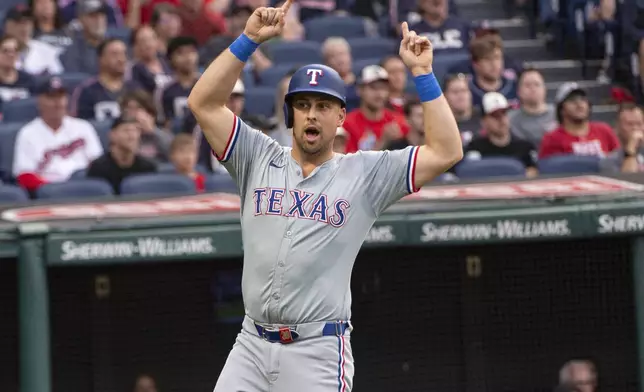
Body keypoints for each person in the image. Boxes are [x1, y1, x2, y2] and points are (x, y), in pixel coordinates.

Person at [187, 0, 463, 389]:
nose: (312, 114)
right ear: (291, 115)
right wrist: (248, 40)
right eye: (302, 105)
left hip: (315, 350)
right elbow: (202, 102)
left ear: (340, 117)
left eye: (322, 105)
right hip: (250, 345)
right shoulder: (257, 156)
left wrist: (423, 74)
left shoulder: (365, 173)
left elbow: (447, 151)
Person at [13, 76, 104, 192]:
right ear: (39, 101)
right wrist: (56, 189)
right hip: (49, 194)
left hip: (83, 189)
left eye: (61, 96)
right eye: (51, 97)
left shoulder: (83, 127)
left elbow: (98, 165)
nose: (57, 102)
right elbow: (25, 176)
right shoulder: (27, 133)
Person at [463, 92, 538, 177]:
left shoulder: (525, 148)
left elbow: (535, 174)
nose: (501, 119)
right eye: (495, 116)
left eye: (504, 113)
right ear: (484, 122)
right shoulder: (475, 147)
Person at [539, 82, 620, 159]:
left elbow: (620, 163)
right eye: (572, 100)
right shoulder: (552, 139)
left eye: (583, 99)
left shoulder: (604, 130)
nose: (579, 103)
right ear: (561, 109)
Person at [342, 65, 410, 152]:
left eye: (383, 88)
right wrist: (383, 142)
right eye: (373, 88)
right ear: (359, 90)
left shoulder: (399, 121)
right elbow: (350, 164)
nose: (379, 94)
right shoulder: (347, 124)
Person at [86, 115, 157, 193]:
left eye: (136, 130)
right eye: (126, 130)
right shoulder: (98, 168)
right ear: (112, 135)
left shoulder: (147, 167)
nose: (132, 136)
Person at [70, 38, 136, 120]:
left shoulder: (135, 89)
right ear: (101, 59)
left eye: (124, 54)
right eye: (115, 54)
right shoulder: (86, 90)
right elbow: (80, 124)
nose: (121, 59)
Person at [508, 68, 557, 148]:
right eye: (527, 85)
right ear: (518, 91)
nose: (533, 89)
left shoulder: (559, 114)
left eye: (537, 84)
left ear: (545, 89)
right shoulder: (509, 119)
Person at [602, 103, 644, 173]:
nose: (635, 128)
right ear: (617, 129)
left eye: (639, 124)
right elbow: (630, 180)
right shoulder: (609, 160)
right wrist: (630, 151)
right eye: (629, 124)